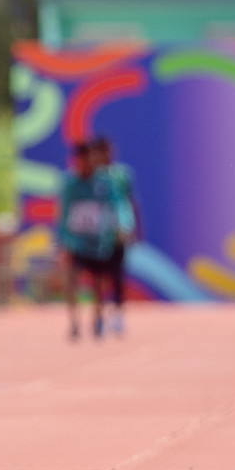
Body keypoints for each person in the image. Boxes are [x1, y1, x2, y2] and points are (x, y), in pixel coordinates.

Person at [57, 142, 131, 341]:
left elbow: (117, 205)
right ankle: (74, 321)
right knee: (71, 279)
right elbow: (64, 213)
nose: (89, 163)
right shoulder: (69, 183)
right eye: (84, 159)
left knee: (98, 282)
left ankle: (97, 317)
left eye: (91, 159)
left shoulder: (106, 182)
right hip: (76, 241)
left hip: (98, 240)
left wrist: (122, 227)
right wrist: (64, 242)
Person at [91, 137, 139, 336]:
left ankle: (118, 314)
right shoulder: (92, 176)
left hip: (120, 228)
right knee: (99, 275)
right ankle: (99, 315)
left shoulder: (122, 174)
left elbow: (130, 199)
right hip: (99, 232)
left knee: (118, 273)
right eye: (102, 151)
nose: (107, 155)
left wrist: (135, 226)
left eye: (109, 151)